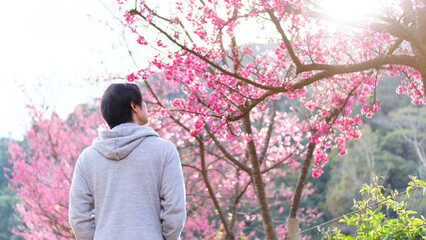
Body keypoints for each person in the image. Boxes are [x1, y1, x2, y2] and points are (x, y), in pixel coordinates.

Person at [69, 83, 186, 240]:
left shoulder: (87, 158)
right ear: (134, 106)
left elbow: (78, 217)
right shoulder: (164, 151)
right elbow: (174, 211)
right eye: (142, 101)